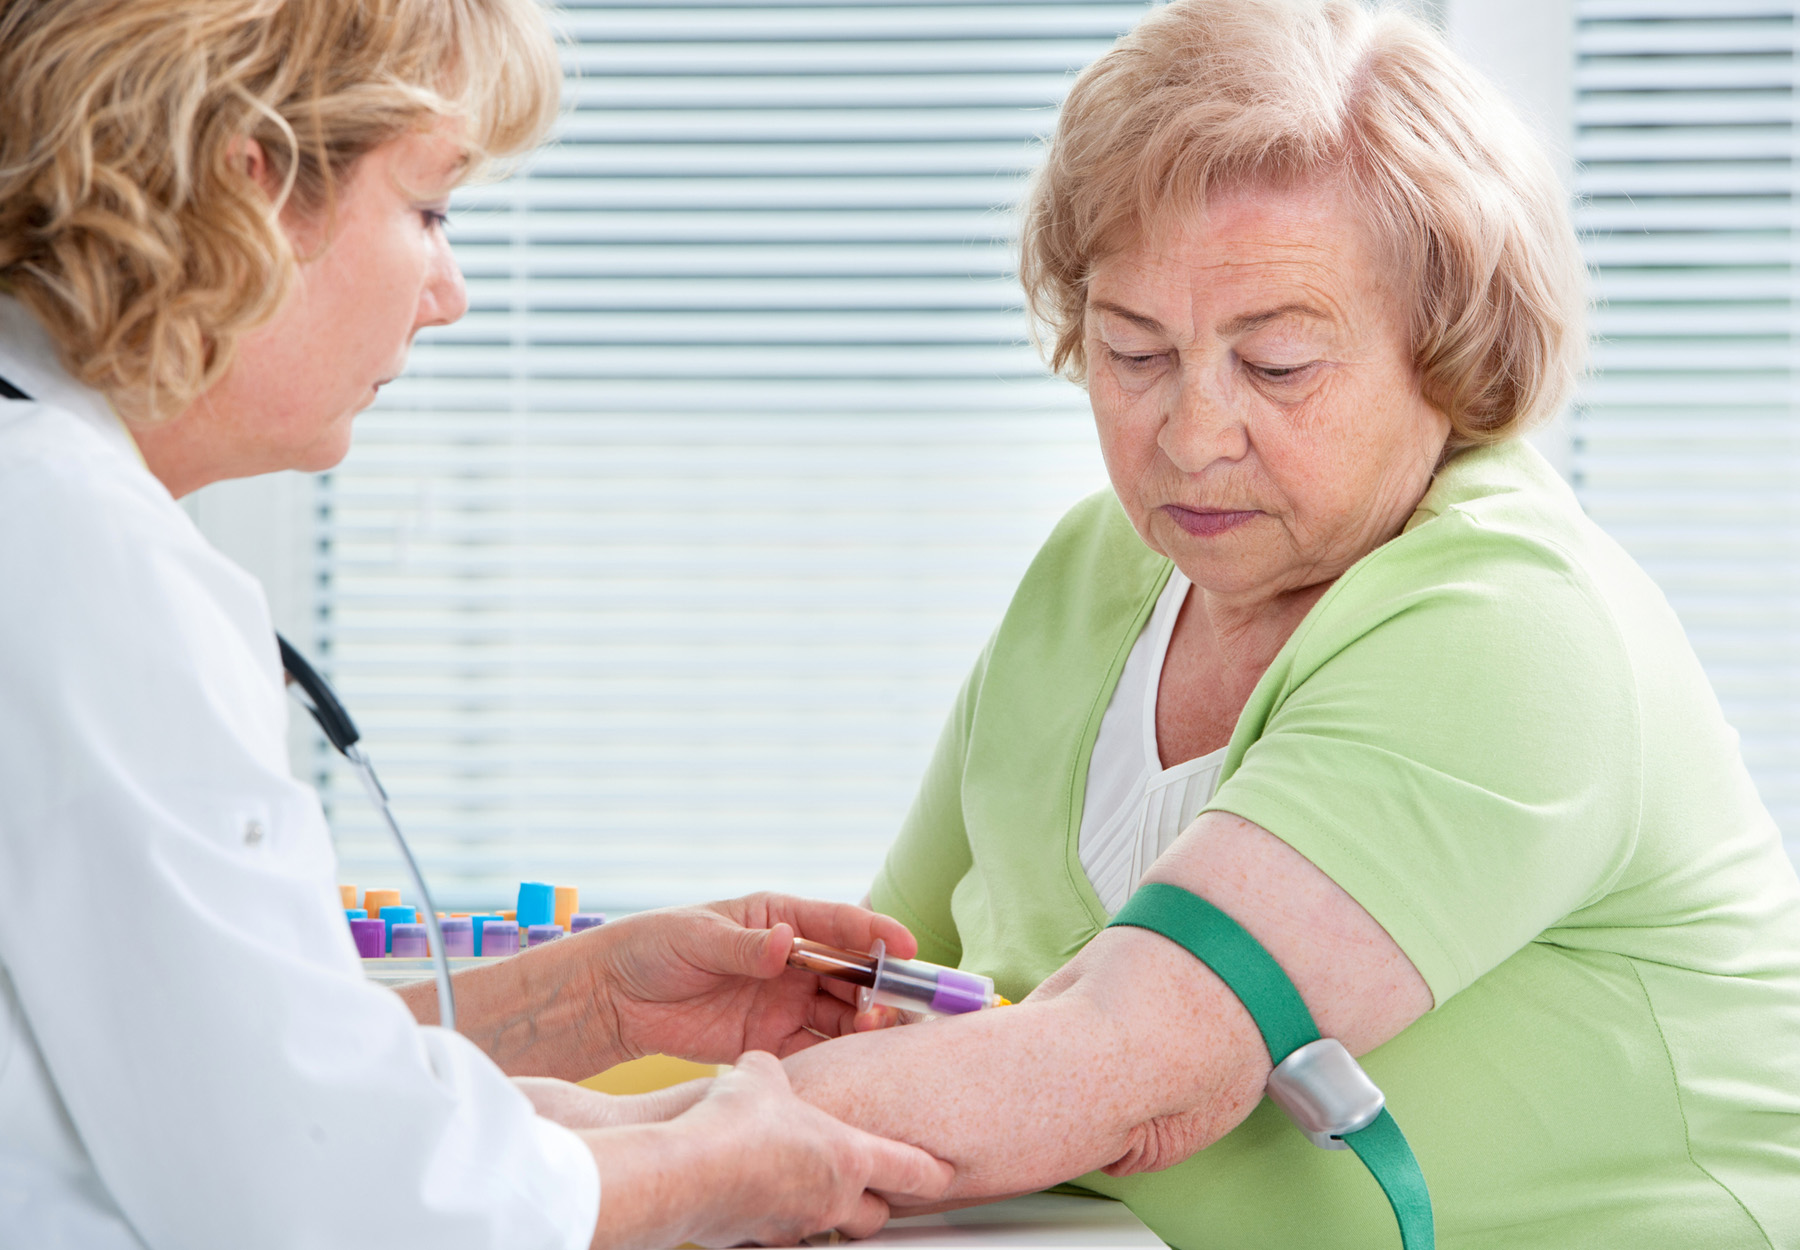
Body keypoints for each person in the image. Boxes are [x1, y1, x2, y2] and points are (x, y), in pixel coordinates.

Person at [772, 1, 1800, 1246]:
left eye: (1278, 366)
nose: (1193, 436)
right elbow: (882, 990)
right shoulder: (1090, 574)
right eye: (1135, 352)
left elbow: (1120, 1061)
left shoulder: (1516, 627)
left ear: (1450, 353)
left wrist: (575, 1169)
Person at [0, 1, 950, 1247]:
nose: (448, 292)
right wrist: (717, 1170)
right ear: (255, 185)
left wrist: (593, 1003)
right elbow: (322, 1194)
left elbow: (206, 1061)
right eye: (430, 211)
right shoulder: (77, 553)